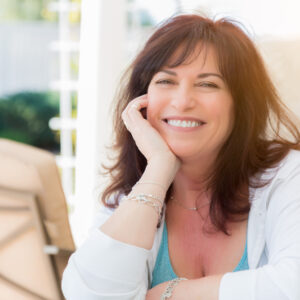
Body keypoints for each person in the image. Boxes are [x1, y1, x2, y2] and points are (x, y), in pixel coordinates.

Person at [61, 13, 300, 300]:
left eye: (208, 84)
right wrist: (159, 170)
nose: (183, 101)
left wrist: (171, 294)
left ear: (242, 104)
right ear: (142, 100)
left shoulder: (287, 175)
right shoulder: (138, 194)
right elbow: (89, 294)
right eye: (166, 81)